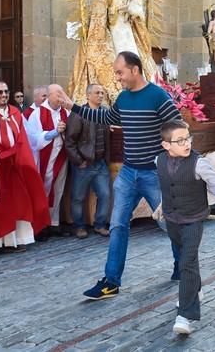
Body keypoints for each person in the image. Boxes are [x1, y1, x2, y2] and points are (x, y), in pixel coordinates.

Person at [57, 51, 182, 300]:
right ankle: (111, 282)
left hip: (154, 174)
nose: (117, 77)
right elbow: (106, 117)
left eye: (119, 72)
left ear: (135, 70)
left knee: (169, 222)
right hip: (128, 173)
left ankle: (183, 265)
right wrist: (72, 106)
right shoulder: (124, 98)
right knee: (117, 225)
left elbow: (178, 128)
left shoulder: (158, 96)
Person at [157, 120, 215, 335]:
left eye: (188, 138)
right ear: (166, 145)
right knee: (186, 258)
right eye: (180, 141)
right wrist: (161, 205)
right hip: (171, 220)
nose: (187, 143)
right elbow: (167, 186)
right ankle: (195, 289)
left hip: (193, 220)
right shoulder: (158, 160)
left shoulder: (199, 163)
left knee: (186, 263)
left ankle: (185, 316)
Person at [0, 80, 50, 255]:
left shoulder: (16, 112)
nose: (3, 95)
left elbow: (22, 138)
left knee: (18, 202)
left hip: (15, 164)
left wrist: (21, 157)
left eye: (6, 92)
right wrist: (2, 156)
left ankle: (14, 241)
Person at [69, 0, 158, 104]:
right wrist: (115, 10)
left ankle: (140, 84)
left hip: (127, 30)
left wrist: (132, 11)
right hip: (115, 30)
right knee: (119, 55)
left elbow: (136, 12)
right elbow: (101, 12)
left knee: (134, 55)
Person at [65, 84, 111, 239]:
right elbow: (69, 141)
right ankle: (78, 227)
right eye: (97, 93)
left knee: (105, 195)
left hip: (100, 163)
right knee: (78, 197)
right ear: (88, 95)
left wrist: (106, 159)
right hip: (84, 164)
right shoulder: (78, 114)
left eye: (102, 92)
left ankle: (100, 225)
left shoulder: (105, 112)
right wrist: (79, 161)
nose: (100, 95)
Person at [26, 84, 70, 235]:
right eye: (58, 95)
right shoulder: (37, 114)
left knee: (58, 189)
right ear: (49, 95)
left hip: (61, 156)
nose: (61, 98)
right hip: (45, 156)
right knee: (43, 189)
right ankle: (41, 224)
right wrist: (53, 132)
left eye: (62, 94)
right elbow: (32, 138)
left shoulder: (66, 112)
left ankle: (54, 222)